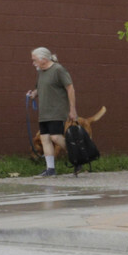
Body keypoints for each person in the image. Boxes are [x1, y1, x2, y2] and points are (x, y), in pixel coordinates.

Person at [28, 49, 74, 179]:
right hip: (44, 111)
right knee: (45, 139)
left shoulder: (58, 70)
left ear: (43, 59)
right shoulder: (40, 73)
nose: (33, 63)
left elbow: (70, 88)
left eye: (34, 60)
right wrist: (33, 94)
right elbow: (40, 88)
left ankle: (76, 155)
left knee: (55, 137)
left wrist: (72, 109)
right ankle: (50, 169)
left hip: (57, 110)